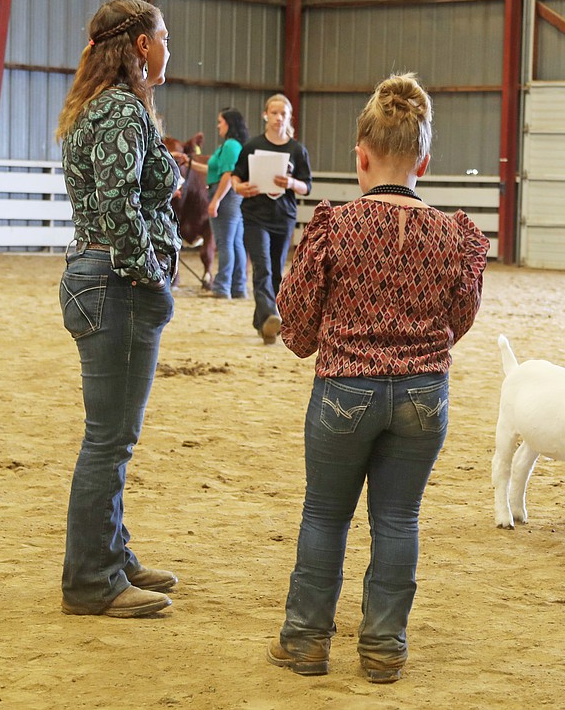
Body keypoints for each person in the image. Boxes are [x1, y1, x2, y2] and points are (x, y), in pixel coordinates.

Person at [266, 73, 489, 683]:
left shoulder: (333, 227)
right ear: (425, 160)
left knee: (324, 516)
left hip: (344, 391)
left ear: (360, 156)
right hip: (424, 394)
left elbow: (297, 328)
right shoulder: (455, 235)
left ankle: (306, 641)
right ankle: (384, 647)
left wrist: (323, 341)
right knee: (398, 521)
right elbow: (460, 320)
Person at [55, 0, 180, 617]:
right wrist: (151, 274)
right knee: (109, 441)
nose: (167, 49)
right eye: (162, 38)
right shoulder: (123, 110)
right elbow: (119, 203)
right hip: (117, 282)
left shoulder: (93, 107)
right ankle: (92, 580)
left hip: (93, 276)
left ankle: (112, 554)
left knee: (110, 439)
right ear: (139, 46)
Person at [230, 93, 312, 344]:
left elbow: (306, 186)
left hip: (283, 217)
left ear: (289, 118)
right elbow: (236, 177)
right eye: (274, 113)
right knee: (263, 266)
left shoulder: (297, 150)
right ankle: (269, 314)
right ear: (266, 115)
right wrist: (239, 188)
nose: (278, 118)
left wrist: (291, 182)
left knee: (277, 271)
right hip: (255, 215)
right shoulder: (252, 146)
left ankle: (264, 323)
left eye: (283, 114)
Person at [200, 107, 249, 299]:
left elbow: (228, 175)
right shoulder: (233, 146)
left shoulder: (229, 146)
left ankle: (222, 287)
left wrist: (216, 201)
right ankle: (238, 287)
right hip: (232, 197)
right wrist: (188, 162)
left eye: (220, 122)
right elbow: (214, 170)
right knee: (236, 242)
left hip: (225, 196)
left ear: (229, 124)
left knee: (224, 242)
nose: (218, 125)